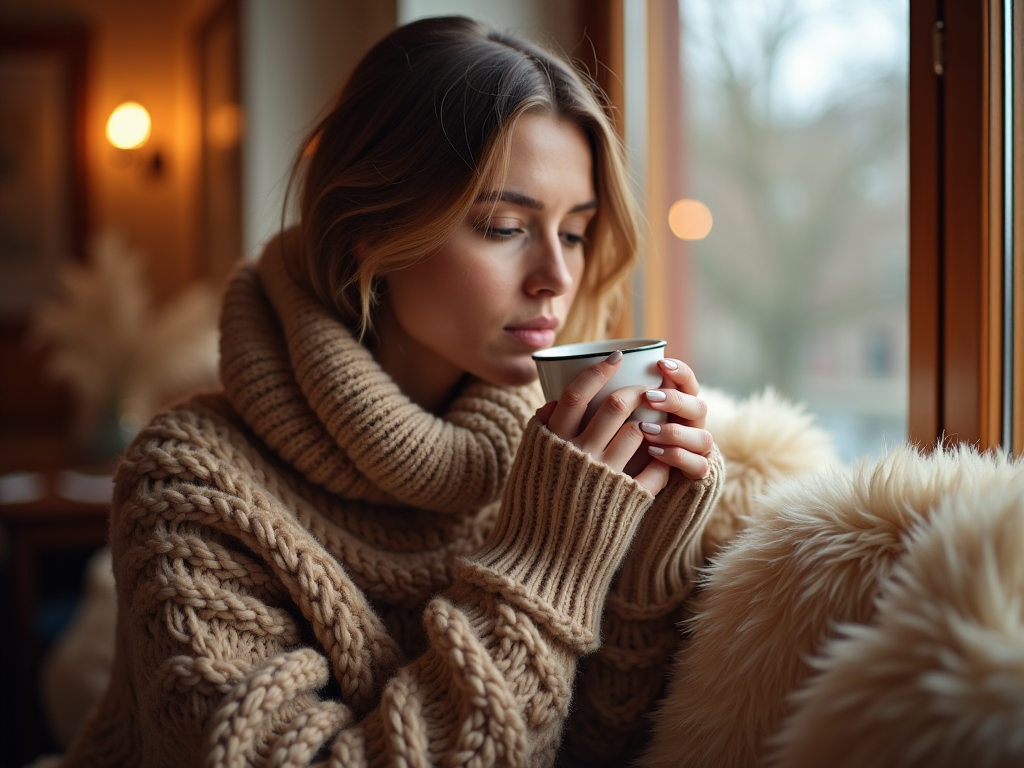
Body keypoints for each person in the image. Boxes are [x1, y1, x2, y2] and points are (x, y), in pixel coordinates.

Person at [60, 16, 723, 767]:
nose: (557, 278)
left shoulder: (561, 464)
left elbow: (596, 745)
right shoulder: (187, 480)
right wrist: (548, 564)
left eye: (574, 232)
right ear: (367, 231)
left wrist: (648, 558)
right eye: (506, 226)